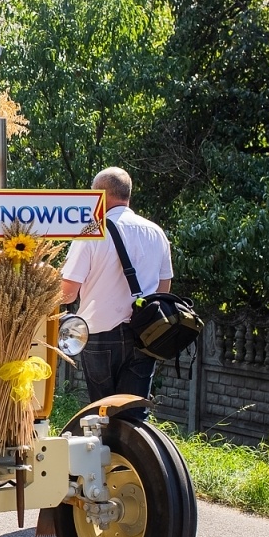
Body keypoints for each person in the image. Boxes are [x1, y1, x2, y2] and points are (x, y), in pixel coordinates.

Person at [60, 167, 174, 415]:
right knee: (133, 414)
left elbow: (67, 293)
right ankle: (132, 452)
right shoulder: (156, 232)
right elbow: (164, 290)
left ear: (100, 195)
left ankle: (108, 453)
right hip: (145, 335)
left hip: (101, 335)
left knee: (103, 415)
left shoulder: (91, 231)